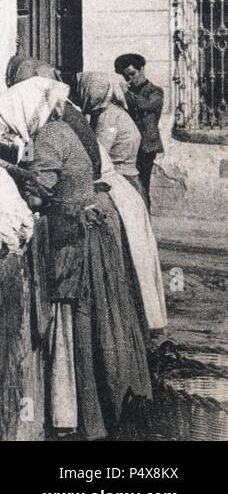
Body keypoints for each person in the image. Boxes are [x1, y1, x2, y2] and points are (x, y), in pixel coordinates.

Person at [14, 78, 152, 439]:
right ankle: (115, 401)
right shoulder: (70, 128)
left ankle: (83, 414)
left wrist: (16, 178)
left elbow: (39, 196)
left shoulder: (49, 136)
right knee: (105, 316)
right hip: (97, 222)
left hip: (78, 235)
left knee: (81, 319)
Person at [77, 72, 167, 333]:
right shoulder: (115, 112)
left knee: (130, 253)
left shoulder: (107, 118)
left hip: (121, 184)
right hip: (130, 182)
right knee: (138, 252)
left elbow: (99, 154)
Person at [115, 53, 163, 206]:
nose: (129, 80)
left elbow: (145, 105)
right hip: (128, 145)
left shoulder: (155, 91)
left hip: (146, 147)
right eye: (125, 76)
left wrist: (126, 93)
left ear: (142, 69)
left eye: (132, 74)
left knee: (142, 188)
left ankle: (145, 225)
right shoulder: (126, 93)